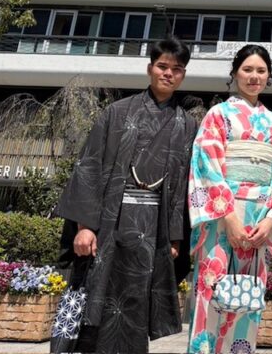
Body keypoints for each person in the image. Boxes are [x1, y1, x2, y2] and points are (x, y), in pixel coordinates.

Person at [52, 36, 197, 354]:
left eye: (176, 68)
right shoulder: (117, 113)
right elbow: (90, 165)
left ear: (183, 74)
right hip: (110, 223)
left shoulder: (187, 125)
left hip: (153, 228)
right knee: (98, 298)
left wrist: (175, 237)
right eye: (162, 66)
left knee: (135, 305)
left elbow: (186, 184)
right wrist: (84, 226)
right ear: (149, 68)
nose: (168, 73)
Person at [188, 43, 272, 354]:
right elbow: (206, 164)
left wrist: (270, 220)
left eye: (261, 70)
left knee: (248, 299)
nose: (254, 76)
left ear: (269, 76)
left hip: (259, 221)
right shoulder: (218, 115)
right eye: (247, 69)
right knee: (212, 293)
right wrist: (229, 217)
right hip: (222, 220)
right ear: (235, 73)